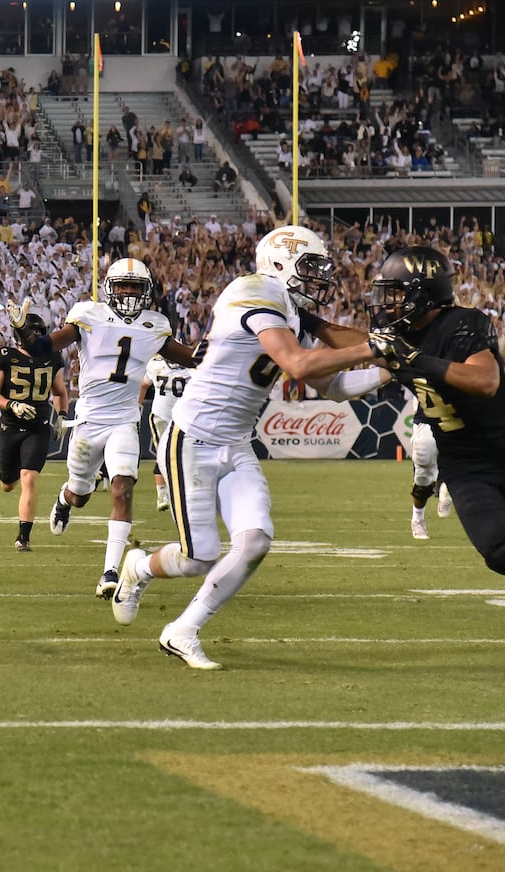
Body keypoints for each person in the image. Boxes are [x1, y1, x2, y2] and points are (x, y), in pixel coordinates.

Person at [114, 226, 386, 669]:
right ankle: (139, 568)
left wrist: (394, 368)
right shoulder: (253, 289)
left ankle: (182, 630)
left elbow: (332, 385)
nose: (317, 277)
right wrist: (379, 347)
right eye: (310, 266)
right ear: (281, 263)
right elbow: (298, 364)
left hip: (235, 443)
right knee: (197, 557)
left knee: (255, 540)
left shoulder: (288, 310)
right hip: (193, 439)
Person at [367, 245, 505, 609]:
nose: (387, 303)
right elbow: (355, 346)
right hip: (465, 466)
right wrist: (306, 323)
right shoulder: (394, 331)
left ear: (422, 294)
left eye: (396, 292)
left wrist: (417, 359)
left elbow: (486, 381)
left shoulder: (464, 323)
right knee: (501, 551)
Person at [46, 258, 197, 600]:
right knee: (80, 494)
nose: (128, 292)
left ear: (146, 291)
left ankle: (110, 571)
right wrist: (29, 335)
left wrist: (226, 349)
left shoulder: (155, 324)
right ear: (109, 289)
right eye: (122, 285)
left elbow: (189, 358)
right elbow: (52, 344)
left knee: (122, 488)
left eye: (134, 286)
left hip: (124, 421)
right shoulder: (88, 314)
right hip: (89, 421)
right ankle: (64, 498)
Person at [0, 299, 68, 553]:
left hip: (38, 425)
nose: (37, 338)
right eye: (33, 333)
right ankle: (13, 475)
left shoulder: (52, 358)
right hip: (10, 424)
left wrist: (61, 414)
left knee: (29, 477)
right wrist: (12, 405)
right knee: (7, 484)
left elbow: (60, 391)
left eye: (40, 334)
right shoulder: (5, 355)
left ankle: (23, 536)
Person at [141, 353, 191, 513]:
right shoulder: (192, 370)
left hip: (170, 417)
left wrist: (137, 406)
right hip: (170, 417)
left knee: (172, 455)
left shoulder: (155, 365)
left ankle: (167, 492)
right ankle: (163, 493)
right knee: (165, 455)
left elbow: (143, 385)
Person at [405, 399, 452, 540]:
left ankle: (447, 486)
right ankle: (417, 518)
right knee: (423, 475)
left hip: (461, 413)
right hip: (429, 415)